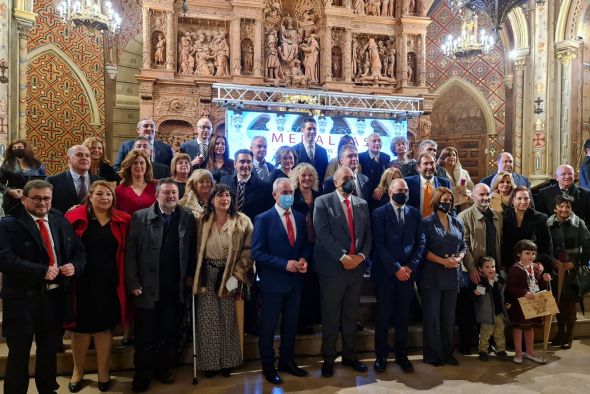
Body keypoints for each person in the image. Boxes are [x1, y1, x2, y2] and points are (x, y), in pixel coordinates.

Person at [0, 179, 85, 394]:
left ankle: (47, 390)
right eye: (36, 198)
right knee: (19, 353)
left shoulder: (59, 219)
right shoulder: (8, 224)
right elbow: (4, 259)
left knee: (48, 352)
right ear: (24, 198)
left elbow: (79, 250)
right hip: (22, 299)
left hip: (54, 298)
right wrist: (41, 271)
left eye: (46, 198)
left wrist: (74, 266)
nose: (42, 203)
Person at [125, 178, 197, 392]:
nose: (171, 196)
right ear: (157, 195)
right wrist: (133, 281)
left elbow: (192, 250)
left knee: (167, 332)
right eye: (166, 193)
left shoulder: (186, 217)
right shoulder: (140, 217)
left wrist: (191, 275)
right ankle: (142, 372)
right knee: (145, 334)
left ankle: (162, 368)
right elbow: (130, 253)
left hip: (173, 286)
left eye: (174, 193)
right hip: (146, 286)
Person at [64, 181, 131, 392]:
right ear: (90, 197)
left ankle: (104, 371)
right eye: (100, 194)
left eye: (109, 194)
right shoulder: (73, 218)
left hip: (110, 283)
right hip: (81, 283)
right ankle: (78, 370)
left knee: (104, 329)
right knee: (80, 330)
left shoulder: (123, 220)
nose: (105, 198)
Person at [313, 167, 372, 377]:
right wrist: (342, 256)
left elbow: (368, 236)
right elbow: (322, 233)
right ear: (336, 181)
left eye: (352, 178)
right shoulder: (323, 201)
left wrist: (361, 257)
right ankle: (328, 358)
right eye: (346, 177)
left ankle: (350, 355)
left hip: (356, 268)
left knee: (350, 314)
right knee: (330, 315)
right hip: (332, 268)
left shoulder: (362, 204)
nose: (350, 180)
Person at [252, 178, 311, 384]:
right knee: (268, 327)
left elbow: (304, 245)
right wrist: (284, 264)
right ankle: (268, 366)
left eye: (291, 192)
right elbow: (257, 252)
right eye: (284, 192)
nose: (288, 195)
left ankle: (287, 361)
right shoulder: (263, 219)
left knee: (291, 325)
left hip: (295, 282)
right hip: (273, 282)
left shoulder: (300, 216)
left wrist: (304, 258)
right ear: (275, 195)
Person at [193, 184, 253, 377]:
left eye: (227, 195)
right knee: (207, 320)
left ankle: (228, 362)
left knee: (228, 319)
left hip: (230, 275)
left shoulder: (243, 221)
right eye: (219, 196)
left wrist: (237, 274)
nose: (224, 199)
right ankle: (210, 364)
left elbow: (249, 249)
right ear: (211, 200)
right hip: (207, 274)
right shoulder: (201, 220)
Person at [371, 178, 425, 373]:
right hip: (386, 273)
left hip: (408, 273)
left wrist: (409, 267)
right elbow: (378, 244)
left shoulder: (415, 213)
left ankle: (402, 355)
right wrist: (396, 268)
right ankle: (381, 355)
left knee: (403, 316)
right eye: (399, 189)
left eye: (406, 189)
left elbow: (420, 243)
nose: (404, 192)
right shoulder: (379, 213)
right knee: (384, 315)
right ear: (390, 192)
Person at [220, 149, 273, 336]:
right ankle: (229, 324)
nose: (245, 165)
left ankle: (250, 323)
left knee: (249, 283)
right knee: (228, 281)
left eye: (248, 162)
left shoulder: (264, 187)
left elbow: (267, 217)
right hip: (226, 242)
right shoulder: (224, 182)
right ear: (235, 164)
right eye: (241, 161)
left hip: (252, 244)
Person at [420, 187, 467, 366]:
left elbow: (464, 245)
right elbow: (423, 250)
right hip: (432, 275)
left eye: (449, 200)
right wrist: (442, 261)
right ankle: (434, 355)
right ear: (436, 200)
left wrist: (460, 258)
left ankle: (448, 353)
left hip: (452, 275)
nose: (446, 203)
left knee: (448, 317)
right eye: (444, 199)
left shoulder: (456, 222)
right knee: (432, 317)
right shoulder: (427, 222)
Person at [457, 183, 503, 355]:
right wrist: (471, 269)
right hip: (472, 271)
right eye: (481, 194)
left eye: (487, 194)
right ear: (473, 197)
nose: (485, 197)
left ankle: (488, 342)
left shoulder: (497, 215)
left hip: (490, 271)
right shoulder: (464, 216)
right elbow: (464, 245)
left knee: (489, 308)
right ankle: (466, 344)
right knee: (468, 309)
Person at [546, 194, 590, 349]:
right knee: (558, 303)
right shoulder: (547, 223)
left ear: (571, 208)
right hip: (555, 269)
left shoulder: (580, 224)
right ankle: (559, 334)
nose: (564, 209)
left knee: (569, 304)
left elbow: (587, 248)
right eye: (561, 206)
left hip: (573, 270)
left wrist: (574, 263)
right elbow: (543, 245)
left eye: (568, 207)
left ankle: (569, 335)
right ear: (555, 207)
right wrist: (551, 261)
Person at [506, 240, 552, 364]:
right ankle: (518, 352)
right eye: (527, 253)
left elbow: (539, 283)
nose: (531, 256)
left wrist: (545, 278)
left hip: (533, 303)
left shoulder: (536, 267)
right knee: (518, 328)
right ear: (519, 254)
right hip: (520, 304)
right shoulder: (515, 269)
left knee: (529, 328)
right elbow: (511, 287)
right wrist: (524, 292)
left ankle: (530, 352)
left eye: (533, 253)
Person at [290, 163, 321, 334]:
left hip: (317, 245)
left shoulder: (319, 196)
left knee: (313, 284)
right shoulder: (292, 196)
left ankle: (312, 319)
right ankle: (299, 322)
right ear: (297, 177)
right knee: (300, 284)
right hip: (299, 245)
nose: (307, 178)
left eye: (310, 175)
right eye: (303, 175)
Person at [501, 186, 553, 272]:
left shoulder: (540, 218)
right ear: (513, 200)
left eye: (526, 198)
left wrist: (541, 262)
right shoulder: (503, 216)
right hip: (508, 263)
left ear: (530, 200)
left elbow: (547, 244)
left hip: (533, 262)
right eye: (519, 198)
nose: (523, 201)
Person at [46, 145, 103, 214]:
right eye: (79, 155)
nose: (84, 158)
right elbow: (48, 207)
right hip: (64, 222)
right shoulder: (53, 181)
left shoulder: (101, 182)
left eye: (87, 155)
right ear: (68, 159)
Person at [472, 256, 508, 362]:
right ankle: (483, 350)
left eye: (493, 266)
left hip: (499, 313)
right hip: (487, 314)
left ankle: (501, 350)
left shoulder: (499, 280)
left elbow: (502, 294)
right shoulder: (481, 282)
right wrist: (475, 294)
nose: (491, 269)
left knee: (500, 333)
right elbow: (474, 298)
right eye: (487, 267)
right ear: (480, 269)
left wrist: (506, 305)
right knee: (485, 334)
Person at [0, 139, 46, 215]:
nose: (17, 149)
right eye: (14, 148)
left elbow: (44, 182)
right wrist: (9, 191)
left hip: (34, 200)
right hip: (13, 200)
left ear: (26, 148)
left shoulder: (37, 164)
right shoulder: (7, 165)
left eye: (19, 147)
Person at [405, 152, 451, 217]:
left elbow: (451, 207)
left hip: (437, 224)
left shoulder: (445, 183)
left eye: (432, 163)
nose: (429, 167)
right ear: (418, 167)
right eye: (425, 164)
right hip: (415, 224)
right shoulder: (408, 182)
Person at [115, 150, 157, 215]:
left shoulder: (156, 186)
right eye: (135, 163)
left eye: (142, 163)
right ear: (129, 166)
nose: (139, 166)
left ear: (147, 166)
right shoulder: (119, 190)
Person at [292, 117, 329, 183]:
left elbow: (324, 174)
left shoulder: (323, 152)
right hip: (299, 191)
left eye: (314, 129)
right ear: (302, 130)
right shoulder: (293, 150)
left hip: (319, 192)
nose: (312, 131)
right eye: (309, 129)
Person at [437, 147, 474, 212]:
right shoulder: (438, 173)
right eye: (448, 155)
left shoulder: (464, 172)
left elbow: (472, 188)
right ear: (442, 158)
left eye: (454, 155)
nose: (452, 157)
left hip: (464, 206)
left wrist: (467, 196)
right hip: (447, 206)